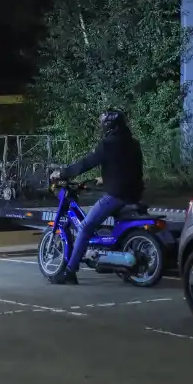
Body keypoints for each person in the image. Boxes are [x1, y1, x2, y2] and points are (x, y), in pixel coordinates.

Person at [48, 109, 144, 284]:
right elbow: (130, 169)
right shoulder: (133, 143)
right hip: (134, 193)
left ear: (109, 125)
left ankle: (70, 272)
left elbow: (87, 163)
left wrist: (63, 173)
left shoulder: (108, 143)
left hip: (117, 195)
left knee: (85, 227)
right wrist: (105, 179)